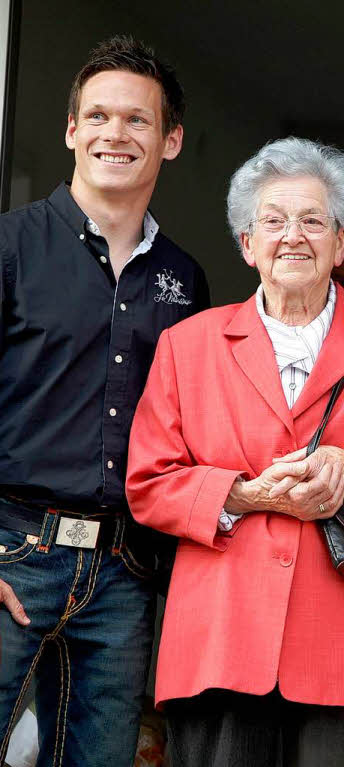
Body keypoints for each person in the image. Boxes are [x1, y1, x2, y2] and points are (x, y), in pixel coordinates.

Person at [124, 137, 344, 767]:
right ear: (247, 242)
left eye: (313, 220)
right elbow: (148, 482)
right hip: (223, 642)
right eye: (273, 220)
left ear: (342, 243)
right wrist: (244, 494)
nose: (293, 236)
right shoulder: (187, 344)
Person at [0, 36, 208, 767]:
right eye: (97, 116)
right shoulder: (9, 246)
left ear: (171, 139)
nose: (114, 134)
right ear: (70, 131)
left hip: (124, 569)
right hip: (10, 546)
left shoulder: (184, 277)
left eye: (137, 120)